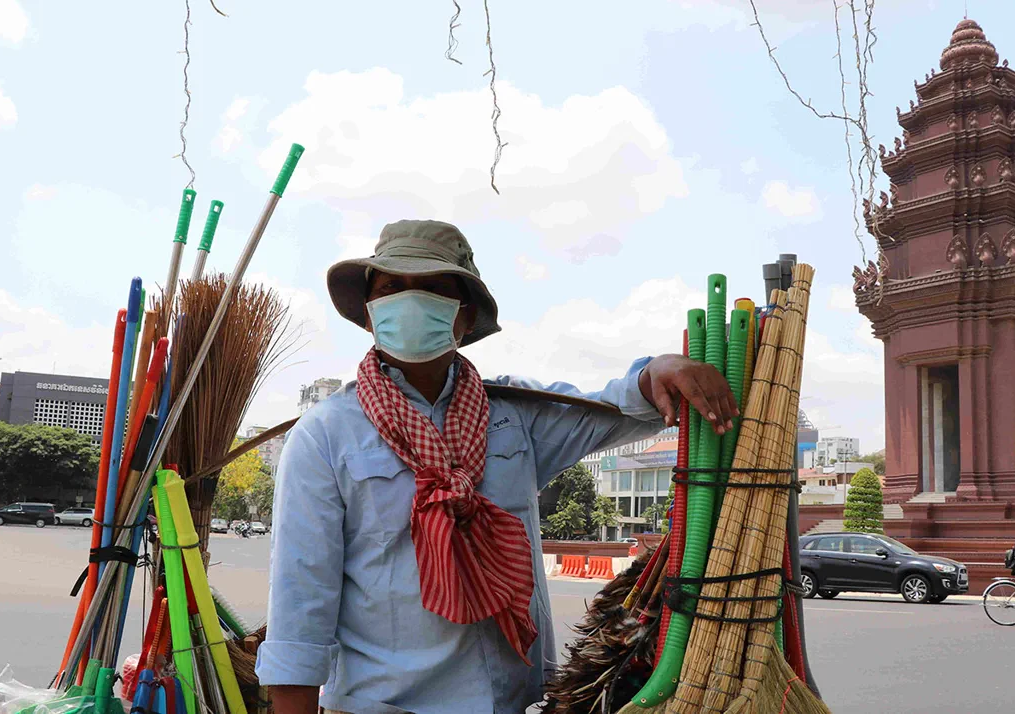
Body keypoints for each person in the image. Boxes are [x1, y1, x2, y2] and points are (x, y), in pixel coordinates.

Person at [257, 220, 739, 714]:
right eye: (391, 288)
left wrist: (657, 371)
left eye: (434, 288)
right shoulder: (325, 434)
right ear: (368, 314)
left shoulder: (513, 415)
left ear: (466, 316)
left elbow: (615, 409)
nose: (410, 300)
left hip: (514, 702)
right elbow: (301, 604)